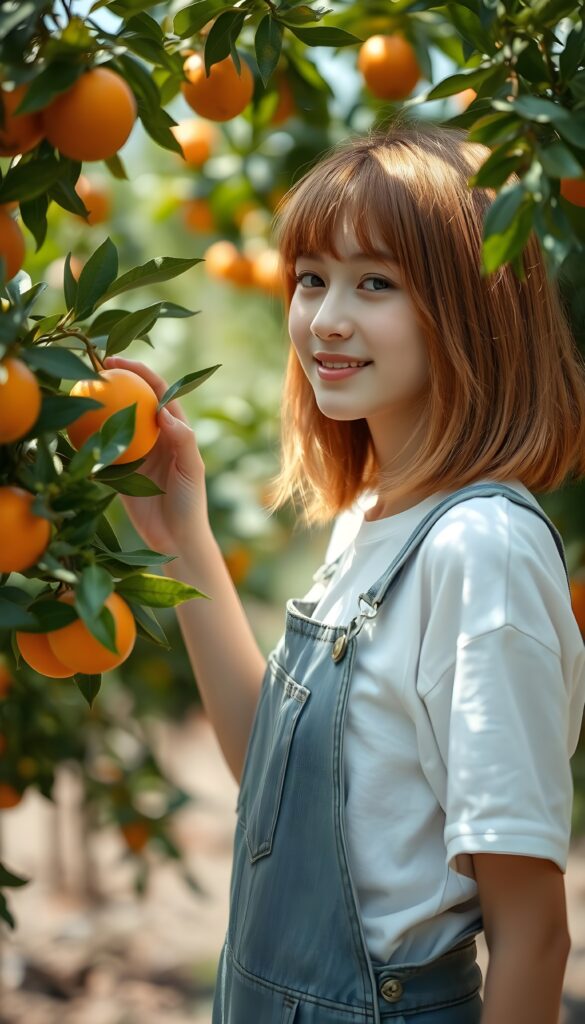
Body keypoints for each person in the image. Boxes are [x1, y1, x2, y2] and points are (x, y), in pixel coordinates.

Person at [103, 119, 585, 1024]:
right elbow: (274, 789)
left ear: (472, 306)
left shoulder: (479, 553)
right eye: (311, 279)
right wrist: (182, 537)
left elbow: (532, 935)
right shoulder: (371, 517)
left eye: (375, 283)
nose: (325, 318)